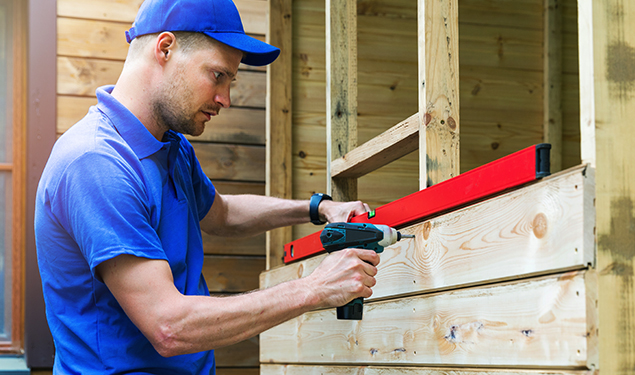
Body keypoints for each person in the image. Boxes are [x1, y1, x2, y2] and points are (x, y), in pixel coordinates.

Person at [34, 0, 380, 373]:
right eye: (217, 75)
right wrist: (314, 288)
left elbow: (222, 214)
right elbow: (169, 326)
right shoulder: (96, 162)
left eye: (231, 81)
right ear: (165, 48)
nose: (226, 99)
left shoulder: (171, 147)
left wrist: (319, 208)